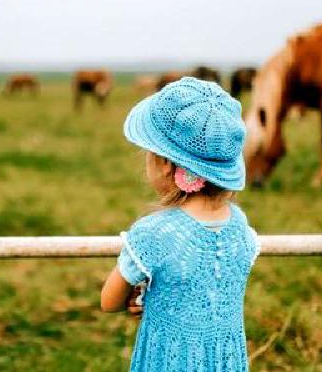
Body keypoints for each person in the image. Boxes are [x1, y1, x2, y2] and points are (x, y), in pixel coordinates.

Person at [101, 77, 260, 371]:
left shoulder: (154, 233)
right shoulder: (240, 227)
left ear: (165, 163)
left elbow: (109, 300)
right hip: (225, 361)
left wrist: (137, 295)